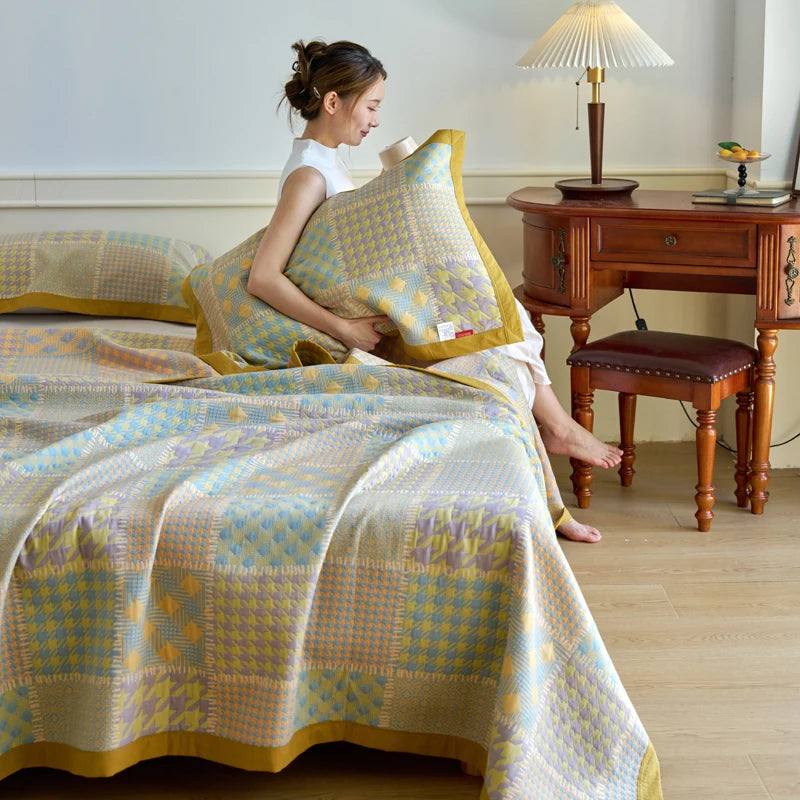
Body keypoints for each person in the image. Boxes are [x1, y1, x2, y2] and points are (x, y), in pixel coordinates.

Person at [246, 39, 622, 543]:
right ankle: (555, 452)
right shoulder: (310, 175)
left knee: (498, 331)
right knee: (496, 338)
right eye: (372, 106)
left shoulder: (326, 161)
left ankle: (551, 467)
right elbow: (263, 276)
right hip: (351, 333)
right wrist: (343, 329)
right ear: (333, 102)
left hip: (369, 318)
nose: (376, 120)